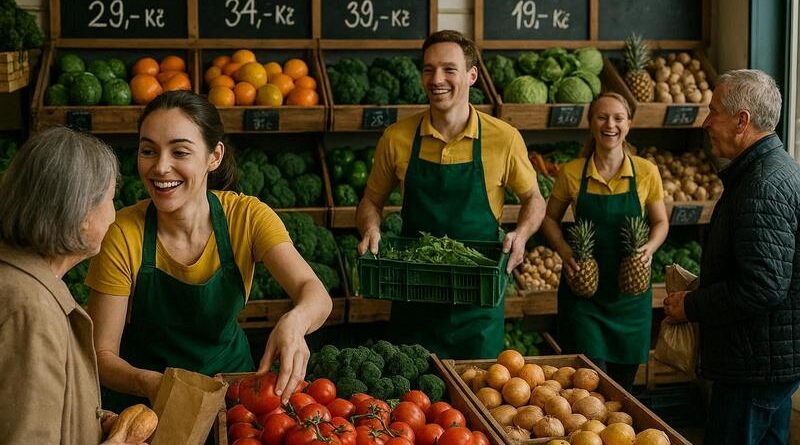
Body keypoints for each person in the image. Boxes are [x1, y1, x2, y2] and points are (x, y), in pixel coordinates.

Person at [86, 91, 332, 412]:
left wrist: (296, 320)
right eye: (148, 150)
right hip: (147, 402)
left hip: (230, 389)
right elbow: (102, 355)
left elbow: (315, 294)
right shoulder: (122, 233)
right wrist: (149, 383)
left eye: (180, 152)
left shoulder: (245, 217)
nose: (160, 167)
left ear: (213, 157)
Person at [356, 30, 546, 359]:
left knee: (478, 398)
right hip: (413, 292)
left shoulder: (504, 138)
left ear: (472, 76)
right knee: (413, 403)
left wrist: (523, 234)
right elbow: (371, 201)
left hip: (478, 302)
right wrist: (370, 228)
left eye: (449, 69)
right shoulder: (397, 137)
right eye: (428, 69)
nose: (436, 79)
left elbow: (534, 199)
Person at [663, 69, 800, 445]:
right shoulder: (773, 171)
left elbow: (762, 286)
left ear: (742, 121)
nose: (706, 123)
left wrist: (691, 305)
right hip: (770, 361)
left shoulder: (761, 187)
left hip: (753, 366)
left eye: (714, 111)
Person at [0, 127, 144, 444]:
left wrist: (91, 423)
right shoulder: (32, 311)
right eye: (109, 199)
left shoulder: (24, 284)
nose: (114, 214)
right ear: (81, 214)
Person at [541, 92, 669, 391]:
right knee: (588, 381)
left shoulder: (646, 171)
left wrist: (649, 248)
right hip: (584, 297)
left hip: (630, 297)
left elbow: (661, 222)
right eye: (602, 117)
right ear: (590, 123)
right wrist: (565, 251)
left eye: (618, 118)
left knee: (622, 388)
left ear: (628, 124)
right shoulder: (572, 172)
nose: (610, 124)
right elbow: (549, 219)